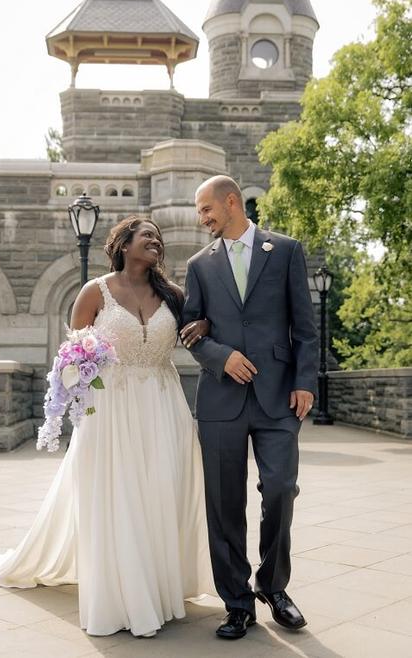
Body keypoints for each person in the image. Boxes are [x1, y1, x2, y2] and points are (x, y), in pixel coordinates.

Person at [0, 216, 214, 638]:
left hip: (165, 406)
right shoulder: (96, 291)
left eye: (159, 238)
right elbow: (70, 357)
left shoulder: (175, 295)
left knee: (160, 493)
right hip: (111, 411)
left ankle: (159, 587)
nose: (156, 242)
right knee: (118, 496)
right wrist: (81, 372)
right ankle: (124, 597)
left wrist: (203, 325)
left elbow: (200, 331)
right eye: (147, 235)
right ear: (124, 244)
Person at [181, 175, 318, 640]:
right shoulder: (199, 265)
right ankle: (236, 603)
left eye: (205, 210)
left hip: (279, 396)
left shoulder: (285, 251)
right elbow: (190, 332)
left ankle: (273, 587)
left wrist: (305, 381)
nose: (202, 220)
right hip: (221, 399)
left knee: (280, 488)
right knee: (224, 502)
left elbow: (306, 325)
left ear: (232, 202)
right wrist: (222, 356)